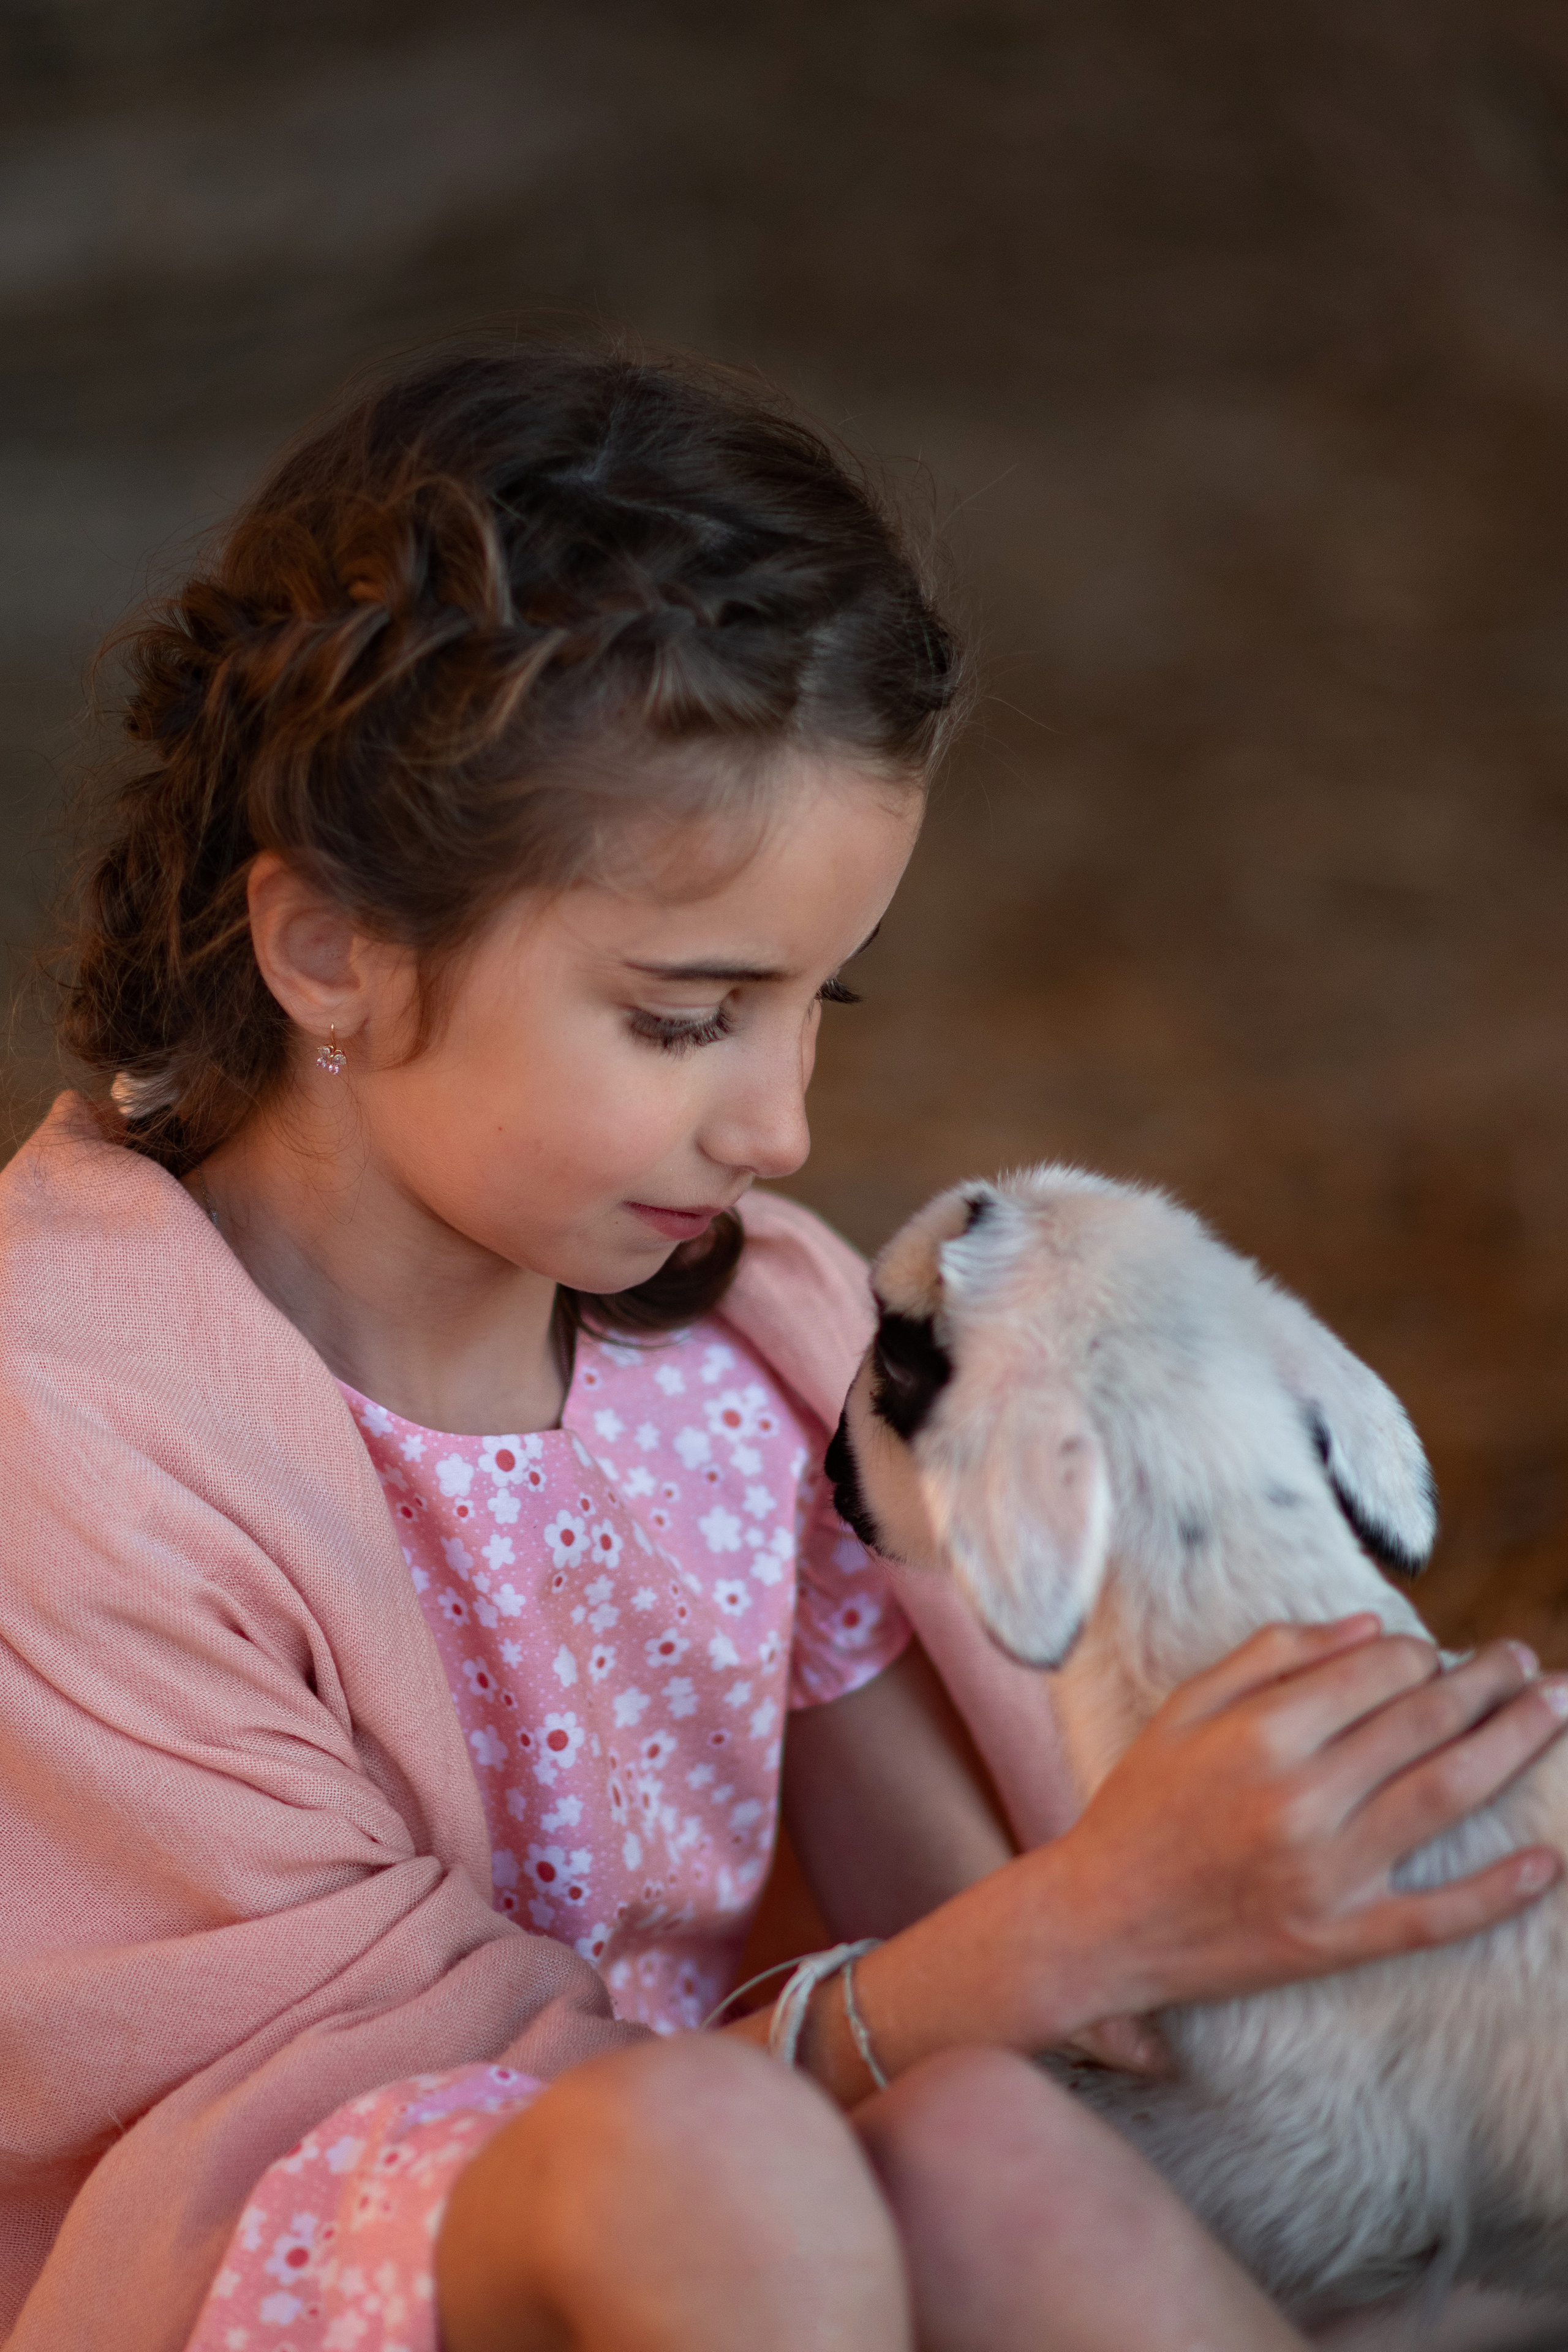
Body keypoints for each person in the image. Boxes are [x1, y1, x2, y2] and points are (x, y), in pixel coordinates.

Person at [4, 339, 1564, 2352]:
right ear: (333, 951)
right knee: (710, 2154)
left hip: (751, 2216)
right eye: (686, 1017)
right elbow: (316, 2100)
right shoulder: (80, 1437)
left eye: (824, 1004)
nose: (782, 1127)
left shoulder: (746, 1351)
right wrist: (1081, 1926)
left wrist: (1196, 1895)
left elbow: (955, 1946)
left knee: (990, 2144)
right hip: (347, 2270)